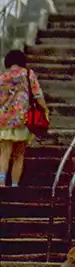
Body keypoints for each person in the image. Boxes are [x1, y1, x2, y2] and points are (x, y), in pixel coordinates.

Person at [0, 50, 49, 187]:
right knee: (19, 155)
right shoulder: (28, 74)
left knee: (4, 154)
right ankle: (15, 185)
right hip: (23, 120)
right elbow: (38, 95)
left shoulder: (3, 77)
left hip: (4, 121)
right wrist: (45, 109)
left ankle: (1, 182)